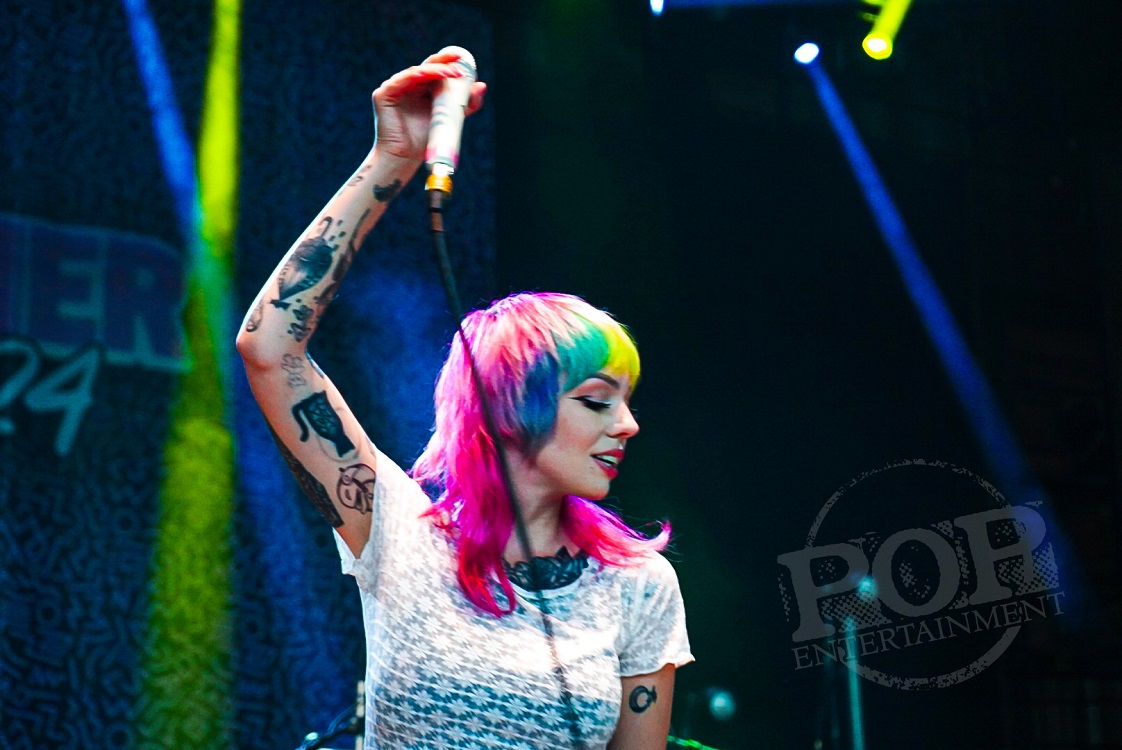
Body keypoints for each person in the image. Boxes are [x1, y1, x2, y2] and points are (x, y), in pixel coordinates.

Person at [236, 49, 692, 749]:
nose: (628, 425)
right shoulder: (396, 531)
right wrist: (393, 159)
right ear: (509, 403)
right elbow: (270, 347)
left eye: (626, 401)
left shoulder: (639, 585)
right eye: (597, 401)